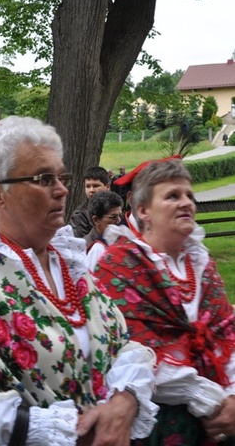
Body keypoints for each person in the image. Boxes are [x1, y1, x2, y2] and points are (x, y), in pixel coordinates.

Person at [0, 115, 158, 446]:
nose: (61, 190)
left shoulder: (68, 262)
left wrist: (124, 401)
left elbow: (121, 344)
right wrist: (80, 430)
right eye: (44, 179)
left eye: (62, 177)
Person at [93, 158, 235, 445]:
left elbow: (227, 333)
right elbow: (132, 352)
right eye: (172, 196)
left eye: (188, 196)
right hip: (157, 424)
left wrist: (232, 397)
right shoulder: (118, 264)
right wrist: (211, 400)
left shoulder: (202, 263)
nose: (186, 203)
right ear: (143, 210)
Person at [83, 190, 124, 270]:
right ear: (96, 220)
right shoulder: (89, 247)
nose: (119, 221)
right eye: (113, 217)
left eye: (120, 216)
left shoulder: (118, 240)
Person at [69, 166, 111, 238]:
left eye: (96, 186)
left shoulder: (114, 208)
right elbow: (81, 244)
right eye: (88, 186)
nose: (91, 190)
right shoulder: (80, 215)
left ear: (107, 187)